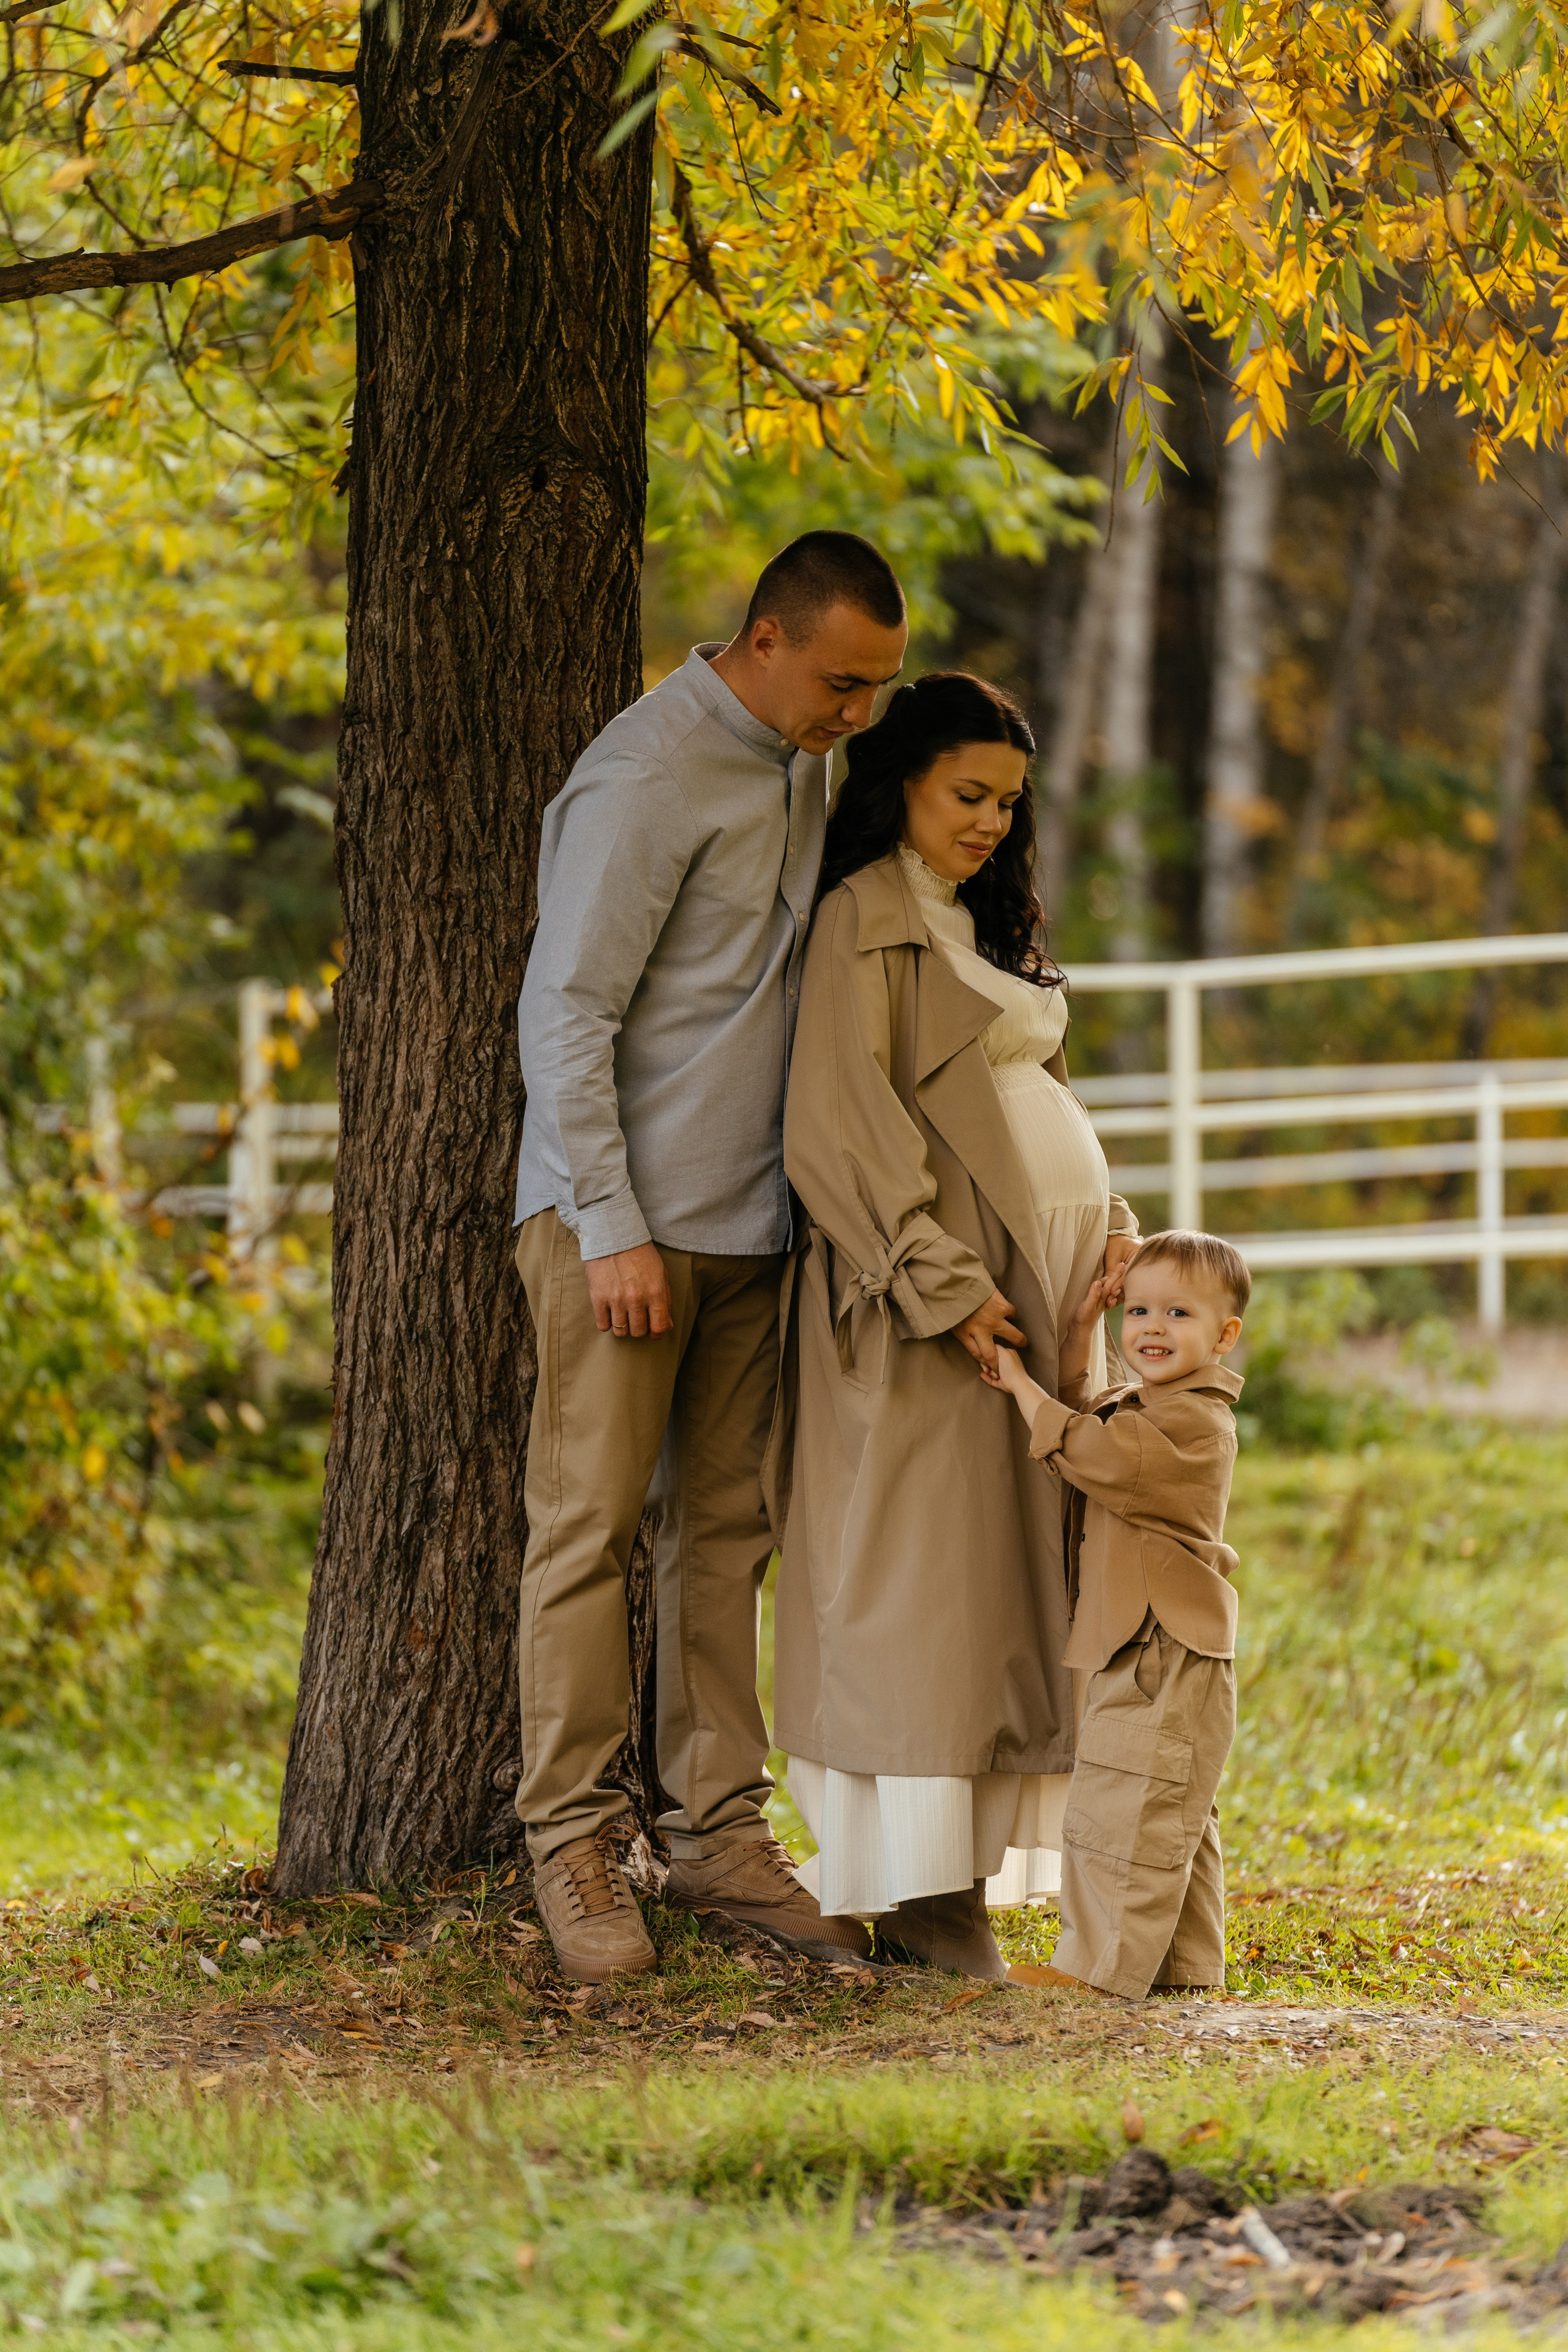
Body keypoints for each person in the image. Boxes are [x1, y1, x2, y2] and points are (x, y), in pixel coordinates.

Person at [513, 532, 908, 1985]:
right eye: (838, 682)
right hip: (617, 1230)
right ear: (762, 639)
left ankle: (714, 1837)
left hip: (751, 1226)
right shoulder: (647, 775)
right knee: (587, 1532)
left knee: (721, 1542)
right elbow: (563, 1015)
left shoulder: (797, 755)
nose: (855, 715)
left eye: (875, 688)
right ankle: (569, 1836)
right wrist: (608, 1221)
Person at [774, 671, 1141, 1980]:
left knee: (1013, 1595)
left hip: (1040, 1306)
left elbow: (1034, 1096)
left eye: (1005, 802)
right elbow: (837, 1121)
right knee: (928, 1595)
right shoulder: (864, 922)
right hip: (936, 1309)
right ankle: (924, 1901)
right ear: (902, 785)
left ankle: (963, 1889)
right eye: (964, 794)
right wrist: (934, 1280)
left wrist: (1113, 1229)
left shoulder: (983, 923)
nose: (988, 822)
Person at [988, 1230, 1248, 2000]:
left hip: (1165, 1642)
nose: (1152, 1328)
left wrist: (1013, 1382)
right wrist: (1078, 1330)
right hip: (1135, 1639)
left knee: (1126, 1810)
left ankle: (1098, 1975)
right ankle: (1183, 1970)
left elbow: (1094, 1454)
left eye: (1177, 1313)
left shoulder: (1197, 1422)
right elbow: (1082, 1412)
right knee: (1172, 1809)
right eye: (1137, 1311)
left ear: (1224, 1336)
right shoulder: (1141, 1404)